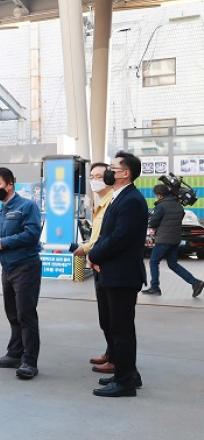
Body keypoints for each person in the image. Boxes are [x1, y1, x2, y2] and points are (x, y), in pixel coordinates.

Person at [88, 151, 148, 397]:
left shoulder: (131, 200)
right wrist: (98, 256)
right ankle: (128, 373)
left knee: (122, 330)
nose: (108, 172)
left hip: (122, 276)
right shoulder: (120, 196)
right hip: (114, 272)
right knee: (117, 328)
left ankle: (125, 383)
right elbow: (107, 235)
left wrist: (94, 255)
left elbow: (119, 238)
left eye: (112, 168)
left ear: (125, 173)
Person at [0, 167, 42, 380]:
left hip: (26, 267)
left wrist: (3, 242)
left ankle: (29, 362)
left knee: (26, 314)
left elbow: (32, 234)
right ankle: (14, 354)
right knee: (12, 313)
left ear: (10, 184)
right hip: (7, 268)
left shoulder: (27, 206)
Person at [73, 163, 115, 375]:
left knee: (113, 318)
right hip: (98, 263)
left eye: (99, 176)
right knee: (105, 317)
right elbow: (96, 237)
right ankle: (111, 352)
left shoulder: (113, 203)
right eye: (92, 176)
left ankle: (117, 359)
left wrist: (87, 250)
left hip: (107, 266)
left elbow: (107, 238)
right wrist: (87, 249)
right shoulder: (100, 203)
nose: (94, 180)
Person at [141, 184, 204, 297]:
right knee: (173, 264)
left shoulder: (161, 206)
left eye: (156, 195)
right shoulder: (179, 206)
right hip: (175, 239)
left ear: (159, 195)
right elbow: (179, 218)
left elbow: (153, 223)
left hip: (163, 239)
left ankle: (155, 287)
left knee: (153, 262)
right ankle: (195, 283)